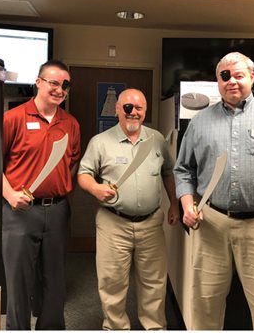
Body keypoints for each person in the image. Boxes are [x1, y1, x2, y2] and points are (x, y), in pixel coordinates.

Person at [174, 52, 254, 330]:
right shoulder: (199, 122)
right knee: (204, 304)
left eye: (238, 75)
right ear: (217, 81)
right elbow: (183, 169)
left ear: (252, 77)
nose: (231, 81)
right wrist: (186, 204)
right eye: (225, 76)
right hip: (211, 224)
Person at [77, 88, 180, 330]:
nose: (133, 113)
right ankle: (115, 327)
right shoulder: (100, 142)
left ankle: (154, 326)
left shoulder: (156, 140)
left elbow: (168, 173)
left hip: (151, 223)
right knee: (112, 282)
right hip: (113, 224)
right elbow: (83, 174)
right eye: (127, 108)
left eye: (138, 108)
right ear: (117, 110)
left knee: (154, 282)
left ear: (145, 111)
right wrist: (95, 189)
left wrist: (174, 204)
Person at [2, 59, 81, 330]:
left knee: (55, 280)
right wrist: (10, 194)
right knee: (19, 280)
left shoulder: (70, 123)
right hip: (19, 212)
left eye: (65, 85)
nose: (60, 90)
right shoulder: (13, 118)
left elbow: (72, 163)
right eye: (54, 83)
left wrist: (59, 191)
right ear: (38, 82)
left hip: (57, 211)